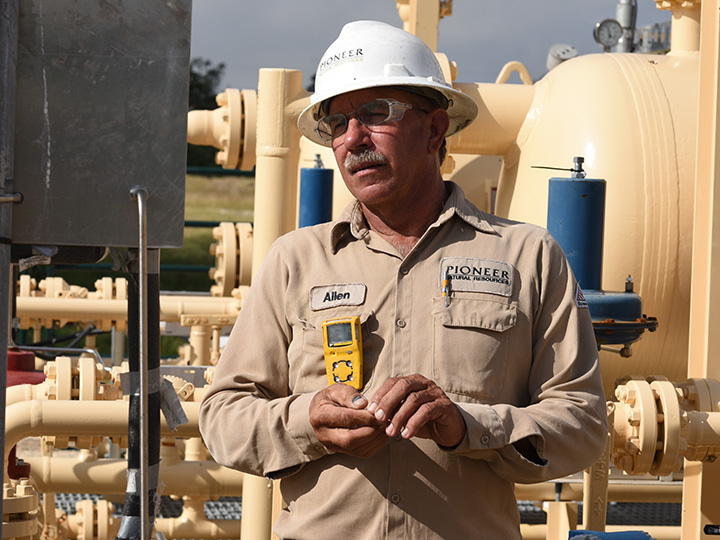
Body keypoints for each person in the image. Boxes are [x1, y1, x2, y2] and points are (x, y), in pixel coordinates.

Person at [199, 20, 608, 540]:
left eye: (375, 113)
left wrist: (468, 426)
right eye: (337, 123)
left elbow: (583, 420)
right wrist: (308, 422)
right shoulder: (294, 261)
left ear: (435, 129)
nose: (353, 139)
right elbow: (222, 417)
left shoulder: (528, 255)